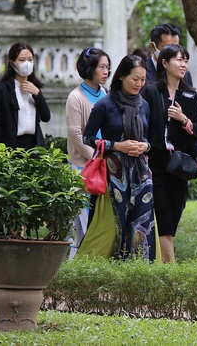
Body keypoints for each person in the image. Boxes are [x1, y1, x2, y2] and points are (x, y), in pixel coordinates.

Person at [82, 54, 158, 261]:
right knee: (114, 225)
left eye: (143, 79)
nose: (139, 84)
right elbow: (87, 138)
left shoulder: (145, 105)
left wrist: (145, 146)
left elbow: (150, 140)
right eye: (135, 79)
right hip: (114, 175)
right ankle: (105, 271)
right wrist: (117, 146)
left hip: (141, 174)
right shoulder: (105, 105)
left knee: (142, 223)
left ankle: (140, 275)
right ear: (122, 76)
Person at [141, 44, 197, 263]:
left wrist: (183, 119)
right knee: (164, 218)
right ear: (164, 63)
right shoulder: (150, 91)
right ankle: (171, 269)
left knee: (175, 211)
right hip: (156, 161)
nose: (183, 64)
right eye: (178, 59)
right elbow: (143, 127)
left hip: (179, 164)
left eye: (185, 60)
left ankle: (162, 260)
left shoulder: (190, 94)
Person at [65, 47, 111, 258]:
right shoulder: (75, 97)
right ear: (89, 68)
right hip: (83, 165)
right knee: (81, 218)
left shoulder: (105, 94)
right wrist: (95, 156)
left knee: (99, 216)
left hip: (104, 162)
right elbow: (75, 134)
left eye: (107, 67)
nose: (106, 71)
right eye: (101, 66)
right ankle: (77, 260)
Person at [0, 42, 51, 150]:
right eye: (22, 60)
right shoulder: (0, 91)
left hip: (34, 147)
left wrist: (37, 94)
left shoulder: (35, 88)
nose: (27, 64)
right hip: (12, 147)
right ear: (12, 63)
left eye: (30, 59)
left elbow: (46, 117)